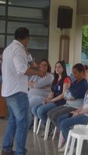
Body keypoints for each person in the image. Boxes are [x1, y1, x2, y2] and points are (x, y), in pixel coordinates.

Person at [1, 27, 46, 155]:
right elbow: (22, 69)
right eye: (28, 40)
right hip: (17, 92)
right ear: (26, 38)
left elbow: (27, 58)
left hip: (8, 91)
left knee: (13, 121)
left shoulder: (9, 49)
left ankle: (6, 148)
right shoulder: (18, 49)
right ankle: (20, 152)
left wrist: (31, 60)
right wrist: (38, 72)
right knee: (24, 122)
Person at [57, 66, 88, 151]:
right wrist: (77, 111)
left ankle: (73, 145)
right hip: (84, 114)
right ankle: (69, 142)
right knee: (61, 118)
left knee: (64, 123)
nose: (85, 73)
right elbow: (84, 104)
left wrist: (79, 113)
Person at [31, 61, 71, 127]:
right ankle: (47, 125)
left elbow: (63, 95)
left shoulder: (66, 79)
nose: (57, 68)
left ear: (63, 68)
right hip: (53, 101)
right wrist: (47, 99)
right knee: (34, 109)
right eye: (56, 67)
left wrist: (51, 100)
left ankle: (49, 127)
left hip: (60, 102)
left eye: (59, 67)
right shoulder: (56, 79)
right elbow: (52, 92)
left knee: (40, 111)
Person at [47, 63, 88, 128]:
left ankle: (64, 132)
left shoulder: (83, 84)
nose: (73, 75)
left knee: (55, 116)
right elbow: (66, 93)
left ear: (81, 72)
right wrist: (68, 96)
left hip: (75, 107)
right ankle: (61, 131)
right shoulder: (75, 82)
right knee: (50, 113)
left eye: (75, 73)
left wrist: (68, 96)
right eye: (73, 73)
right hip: (67, 104)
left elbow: (71, 96)